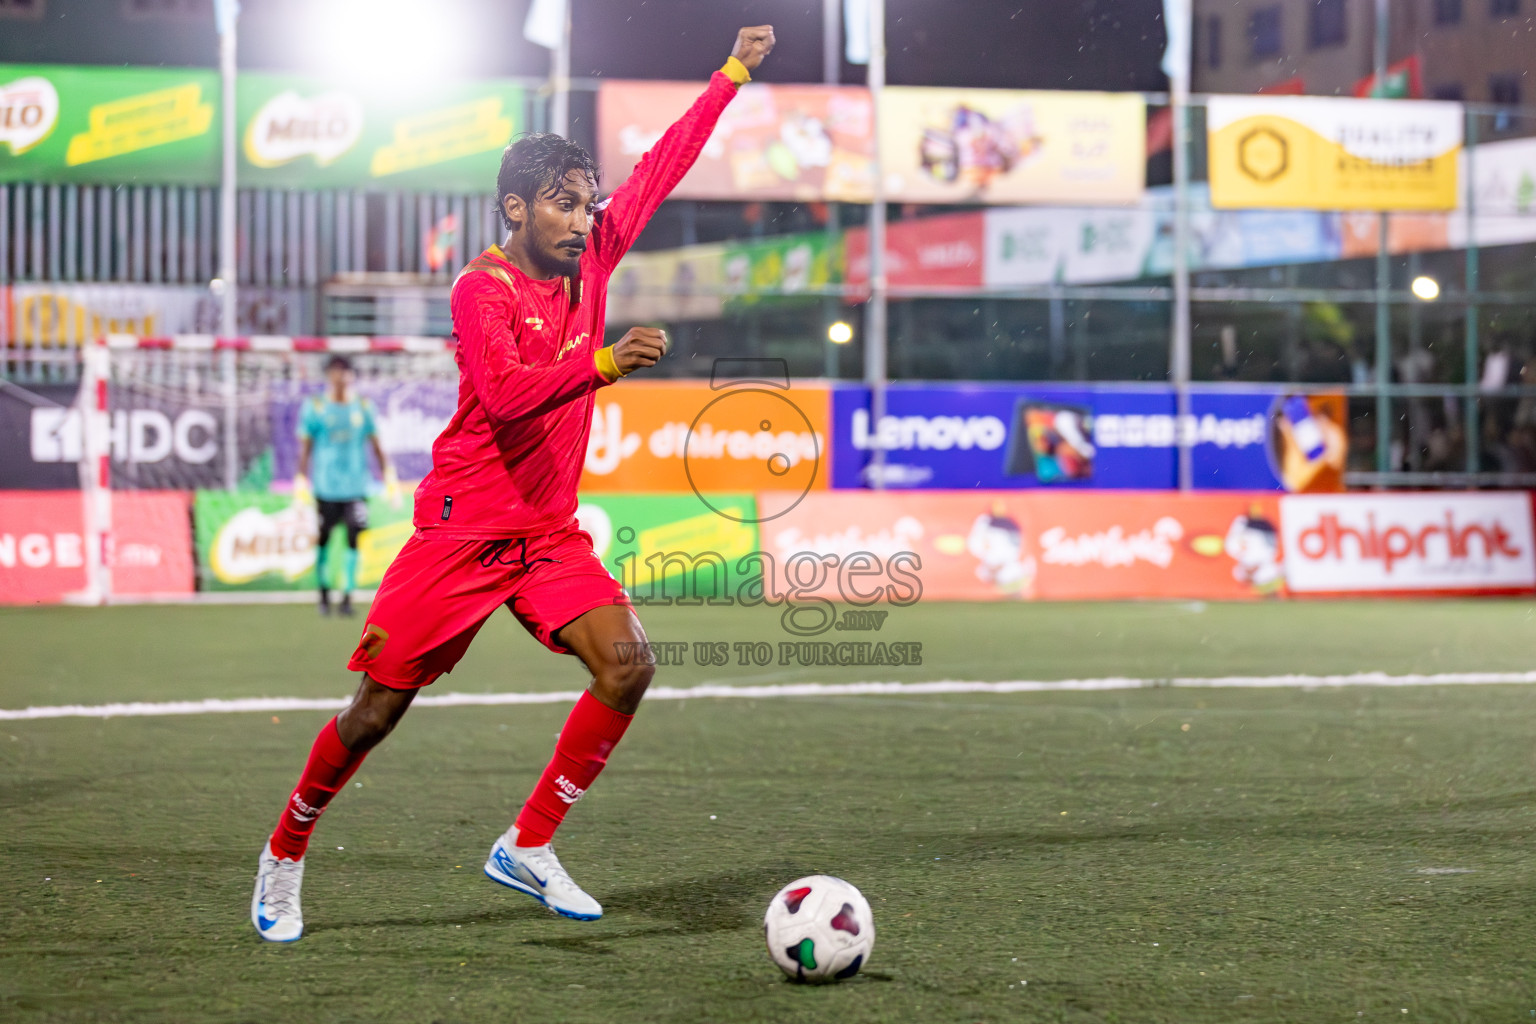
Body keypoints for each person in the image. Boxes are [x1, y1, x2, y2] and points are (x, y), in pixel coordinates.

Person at [251, 25, 776, 943]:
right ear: (515, 210)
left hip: (547, 534)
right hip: (460, 531)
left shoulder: (599, 253)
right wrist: (606, 364)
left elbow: (666, 162)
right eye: (561, 205)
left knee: (629, 664)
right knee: (375, 712)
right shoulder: (479, 291)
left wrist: (730, 73)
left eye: (587, 203)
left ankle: (527, 844)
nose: (582, 219)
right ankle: (286, 850)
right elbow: (501, 395)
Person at [294, 355, 395, 618]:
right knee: (324, 538)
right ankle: (324, 593)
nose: (341, 377)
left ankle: (347, 596)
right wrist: (300, 478)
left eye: (346, 372)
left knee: (354, 537)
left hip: (356, 488)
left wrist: (388, 477)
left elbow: (376, 445)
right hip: (326, 487)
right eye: (336, 372)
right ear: (328, 375)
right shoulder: (315, 407)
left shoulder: (363, 407)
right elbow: (306, 447)